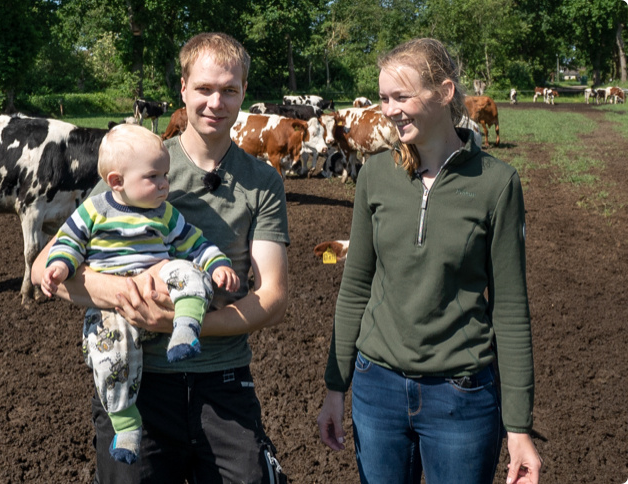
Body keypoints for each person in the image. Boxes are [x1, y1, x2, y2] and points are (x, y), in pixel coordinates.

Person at [31, 32, 290, 483]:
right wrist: (122, 292)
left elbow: (272, 296)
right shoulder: (142, 163)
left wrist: (176, 324)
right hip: (137, 381)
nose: (216, 102)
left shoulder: (261, 181)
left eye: (230, 90)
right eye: (205, 89)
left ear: (244, 92)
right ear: (183, 89)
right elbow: (44, 268)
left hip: (222, 380)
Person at [315, 38, 542, 484]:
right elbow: (356, 284)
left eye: (401, 97)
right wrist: (335, 387)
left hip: (462, 396)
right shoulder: (375, 175)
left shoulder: (497, 183)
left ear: (444, 92)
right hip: (375, 389)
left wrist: (518, 427)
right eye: (383, 98)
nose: (389, 110)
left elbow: (511, 308)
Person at [40, 124, 241, 464]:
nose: (165, 184)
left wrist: (218, 263)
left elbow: (195, 244)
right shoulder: (94, 210)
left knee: (189, 272)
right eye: (154, 177)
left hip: (160, 282)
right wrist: (60, 266)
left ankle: (186, 329)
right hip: (113, 309)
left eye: (165, 175)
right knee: (109, 359)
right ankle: (126, 424)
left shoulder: (165, 214)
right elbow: (69, 241)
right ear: (116, 181)